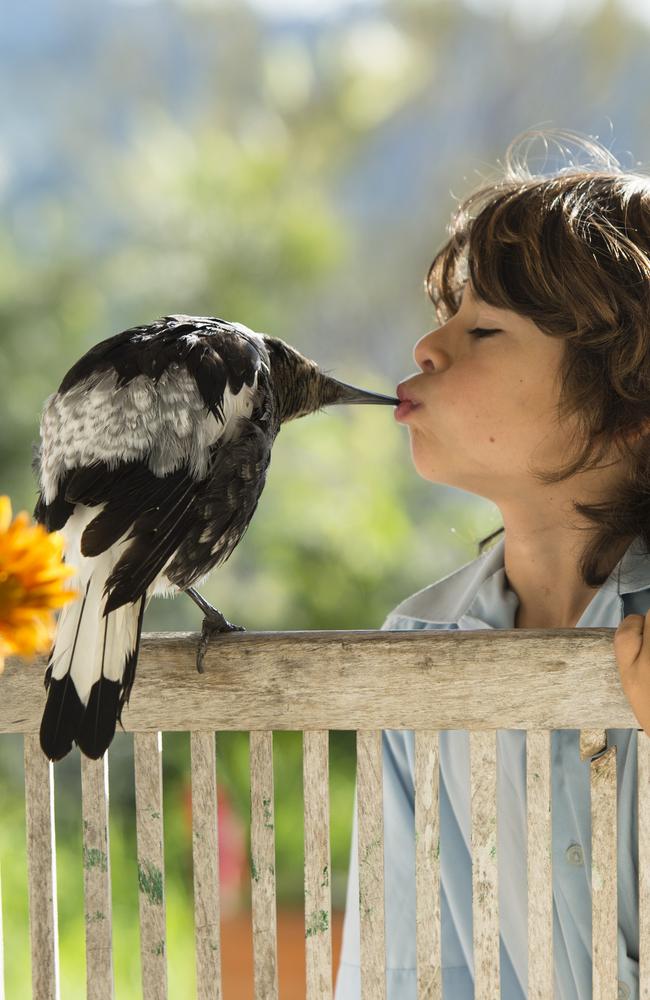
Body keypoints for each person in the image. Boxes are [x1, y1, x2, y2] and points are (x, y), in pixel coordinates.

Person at [334, 127, 650, 1000]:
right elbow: (404, 970)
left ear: (628, 405)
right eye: (445, 319)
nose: (426, 349)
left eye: (485, 329)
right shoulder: (420, 642)